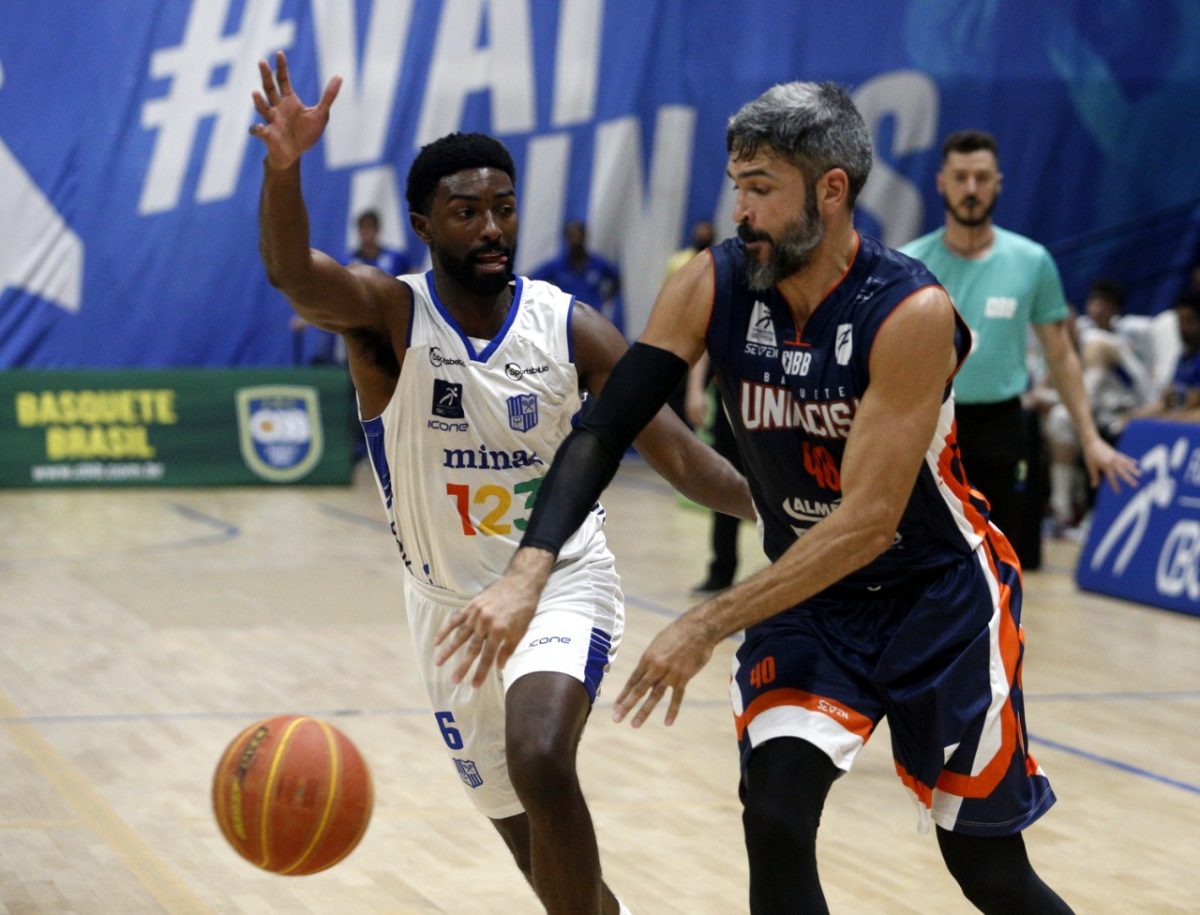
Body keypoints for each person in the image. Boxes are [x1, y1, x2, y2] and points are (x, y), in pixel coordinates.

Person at [436, 81, 1125, 914]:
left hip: (936, 599)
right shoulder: (713, 282)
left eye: (761, 188)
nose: (741, 211)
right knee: (774, 816)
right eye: (738, 186)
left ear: (830, 190)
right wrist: (529, 568)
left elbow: (867, 523)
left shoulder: (909, 310)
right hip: (811, 603)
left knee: (987, 867)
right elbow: (607, 426)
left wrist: (705, 621)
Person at [250, 51, 753, 915]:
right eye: (467, 211)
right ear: (424, 223)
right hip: (447, 612)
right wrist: (284, 170)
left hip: (561, 583)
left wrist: (786, 510)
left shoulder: (572, 328)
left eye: (505, 208)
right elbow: (294, 276)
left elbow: (679, 456)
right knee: (541, 856)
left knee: (542, 756)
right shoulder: (389, 318)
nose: (492, 227)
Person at [899, 130, 1139, 568]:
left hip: (1003, 427)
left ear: (998, 183)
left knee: (998, 559)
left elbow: (1060, 355)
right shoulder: (911, 264)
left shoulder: (1032, 261)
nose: (971, 188)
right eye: (960, 177)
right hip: (928, 426)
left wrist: (1089, 438)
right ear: (941, 183)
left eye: (981, 177)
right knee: (925, 558)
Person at [1042, 279, 1156, 532]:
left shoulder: (1097, 343)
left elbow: (1085, 396)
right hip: (1103, 413)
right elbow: (1044, 387)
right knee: (1044, 417)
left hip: (1134, 411)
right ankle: (1063, 505)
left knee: (1061, 418)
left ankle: (1063, 510)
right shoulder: (1067, 337)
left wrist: (1046, 398)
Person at [531, 221, 624, 335]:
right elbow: (532, 279)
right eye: (571, 235)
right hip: (566, 323)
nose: (575, 239)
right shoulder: (557, 265)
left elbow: (616, 279)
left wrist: (607, 297)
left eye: (578, 235)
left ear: (584, 236)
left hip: (593, 322)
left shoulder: (598, 263)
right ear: (566, 238)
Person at [1126, 292, 1200, 422]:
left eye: (1190, 321)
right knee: (1131, 419)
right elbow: (1168, 399)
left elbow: (1194, 401)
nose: (1183, 328)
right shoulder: (1183, 358)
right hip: (1179, 413)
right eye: (1180, 321)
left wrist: (1170, 416)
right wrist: (1134, 416)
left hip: (1192, 417)